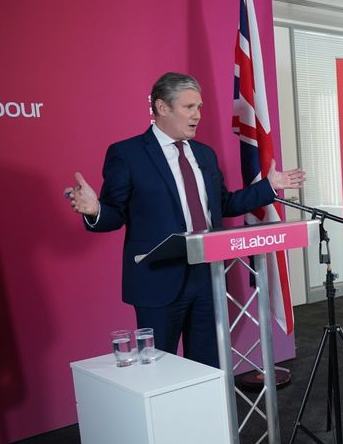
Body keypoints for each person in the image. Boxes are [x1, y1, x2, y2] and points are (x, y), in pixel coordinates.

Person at [64, 72, 306, 368]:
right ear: (162, 107)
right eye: (189, 107)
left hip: (208, 278)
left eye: (200, 107)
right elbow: (115, 213)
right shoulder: (127, 154)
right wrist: (94, 210)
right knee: (159, 370)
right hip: (158, 281)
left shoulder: (204, 154)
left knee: (207, 366)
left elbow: (223, 205)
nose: (197, 115)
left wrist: (269, 187)